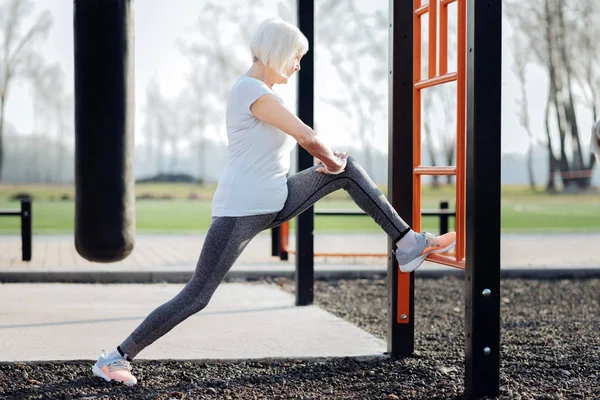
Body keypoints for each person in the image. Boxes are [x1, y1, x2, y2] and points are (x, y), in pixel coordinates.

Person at [92, 17, 456, 385]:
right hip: (241, 211)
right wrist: (329, 160)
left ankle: (408, 243)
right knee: (197, 295)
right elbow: (307, 137)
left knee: (348, 170)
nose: (298, 65)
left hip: (273, 199)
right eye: (296, 56)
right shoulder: (250, 90)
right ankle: (115, 358)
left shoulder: (261, 92)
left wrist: (333, 164)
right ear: (277, 51)